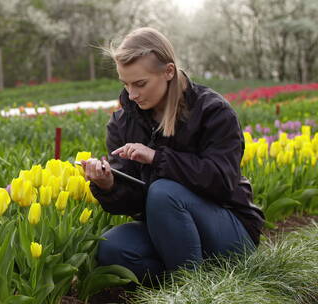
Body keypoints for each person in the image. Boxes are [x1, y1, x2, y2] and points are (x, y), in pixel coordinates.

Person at [81, 27, 265, 283]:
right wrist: (109, 185)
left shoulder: (213, 111)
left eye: (140, 83)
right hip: (170, 232)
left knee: (164, 192)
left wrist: (157, 158)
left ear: (168, 71)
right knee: (113, 247)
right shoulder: (123, 122)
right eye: (126, 84)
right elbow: (134, 203)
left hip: (229, 230)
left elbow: (222, 181)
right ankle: (194, 276)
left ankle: (191, 289)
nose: (131, 95)